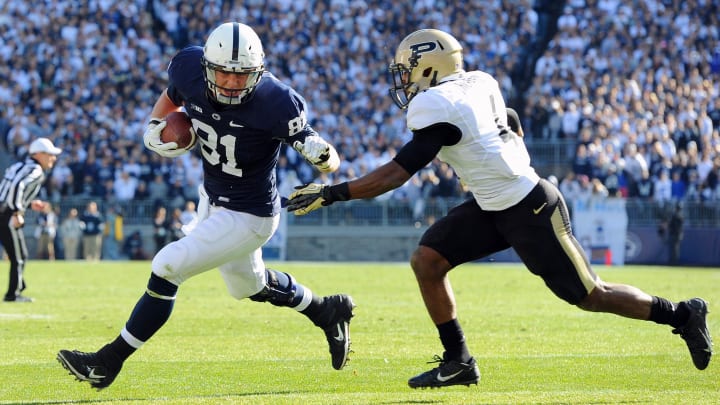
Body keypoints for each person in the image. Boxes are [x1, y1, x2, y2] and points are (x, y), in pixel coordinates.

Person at [287, 29, 713, 388]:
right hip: (493, 204)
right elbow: (507, 115)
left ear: (429, 66)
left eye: (407, 70)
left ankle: (681, 314)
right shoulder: (478, 81)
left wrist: (331, 192)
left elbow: (398, 173)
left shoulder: (437, 105)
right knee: (428, 260)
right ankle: (459, 362)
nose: (404, 79)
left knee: (590, 295)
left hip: (529, 206)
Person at [57, 22, 354, 389]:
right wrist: (154, 124)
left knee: (166, 266)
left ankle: (107, 361)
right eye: (223, 74)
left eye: (242, 76)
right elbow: (171, 97)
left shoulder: (277, 101)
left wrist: (324, 158)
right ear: (207, 68)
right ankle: (327, 311)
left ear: (258, 72)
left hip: (249, 215)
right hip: (210, 199)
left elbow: (326, 156)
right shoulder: (188, 69)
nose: (231, 83)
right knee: (248, 286)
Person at [0, 137, 62, 302]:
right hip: (6, 215)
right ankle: (12, 294)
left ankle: (15, 290)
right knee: (18, 256)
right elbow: (17, 187)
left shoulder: (19, 165)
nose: (53, 158)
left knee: (21, 255)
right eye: (50, 154)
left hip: (4, 211)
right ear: (39, 154)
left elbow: (7, 189)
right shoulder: (35, 169)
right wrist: (16, 212)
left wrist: (28, 203)